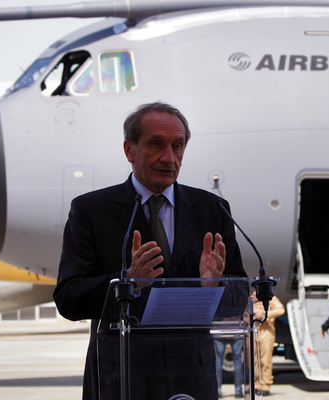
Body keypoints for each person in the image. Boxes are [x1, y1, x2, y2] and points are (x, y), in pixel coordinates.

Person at [53, 102, 247, 400]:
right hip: (120, 377)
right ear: (129, 150)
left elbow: (238, 298)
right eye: (156, 144)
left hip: (191, 377)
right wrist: (127, 283)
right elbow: (68, 298)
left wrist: (213, 285)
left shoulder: (213, 209)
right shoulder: (91, 210)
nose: (169, 157)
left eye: (178, 146)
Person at [252, 292, 285, 396]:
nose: (253, 295)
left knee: (265, 360)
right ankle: (256, 384)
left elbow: (281, 310)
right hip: (254, 331)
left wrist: (264, 314)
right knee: (255, 360)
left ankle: (265, 385)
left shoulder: (271, 298)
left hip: (267, 332)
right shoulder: (252, 300)